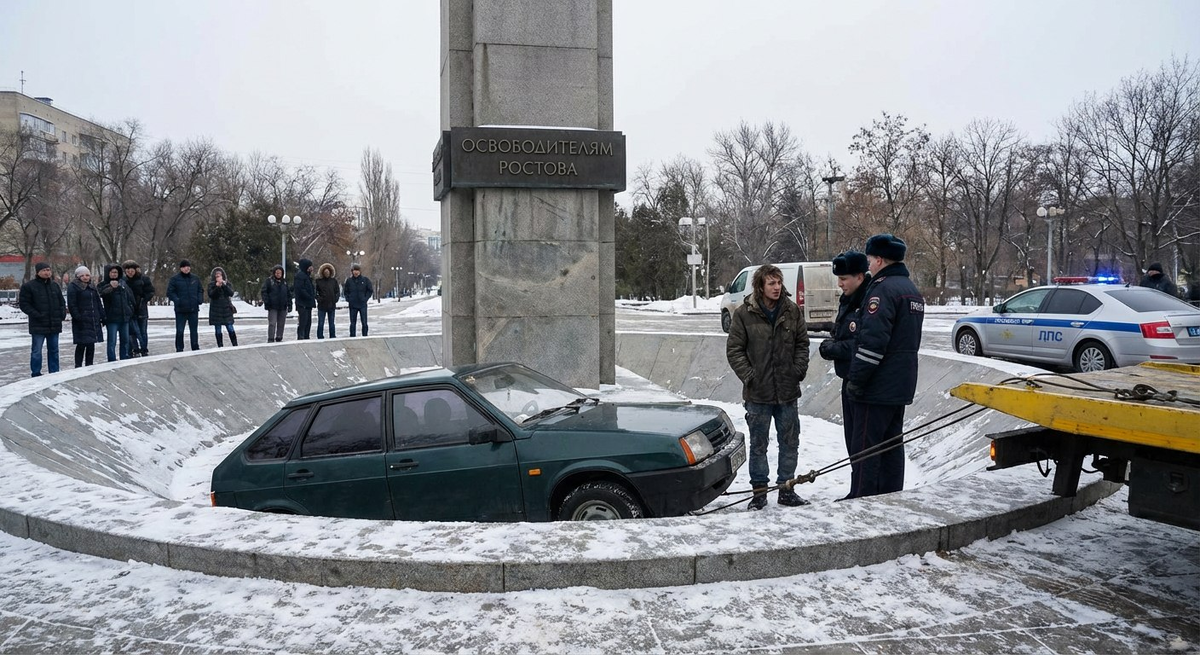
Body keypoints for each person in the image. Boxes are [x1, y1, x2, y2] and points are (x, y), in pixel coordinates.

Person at [844, 234, 925, 499]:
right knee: (892, 445)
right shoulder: (910, 289)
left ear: (879, 259)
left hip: (877, 386)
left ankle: (862, 500)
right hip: (900, 384)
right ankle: (891, 498)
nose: (868, 266)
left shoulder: (882, 290)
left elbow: (872, 344)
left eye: (870, 260)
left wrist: (856, 380)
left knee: (866, 448)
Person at [725, 263, 811, 510]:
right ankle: (759, 493)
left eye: (778, 282)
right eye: (771, 283)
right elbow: (734, 350)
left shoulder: (792, 310)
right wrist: (749, 376)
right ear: (760, 286)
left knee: (790, 442)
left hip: (787, 391)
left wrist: (797, 370)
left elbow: (802, 344)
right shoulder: (744, 313)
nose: (776, 287)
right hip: (758, 393)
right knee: (759, 445)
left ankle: (786, 489)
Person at [817, 251, 872, 499]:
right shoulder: (848, 299)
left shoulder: (868, 300)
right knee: (852, 440)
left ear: (860, 276)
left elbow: (863, 343)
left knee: (862, 443)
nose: (839, 283)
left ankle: (861, 492)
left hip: (862, 381)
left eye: (844, 278)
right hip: (848, 378)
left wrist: (834, 348)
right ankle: (857, 488)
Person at [19, 262, 66, 377]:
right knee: (36, 351)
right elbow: (24, 304)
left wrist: (61, 315)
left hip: (54, 324)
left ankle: (54, 372)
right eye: (44, 270)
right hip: (38, 325)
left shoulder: (55, 286)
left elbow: (61, 302)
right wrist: (37, 315)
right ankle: (36, 373)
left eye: (48, 270)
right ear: (38, 272)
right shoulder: (29, 286)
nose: (47, 272)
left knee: (54, 350)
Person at [67, 266, 105, 368]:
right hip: (81, 320)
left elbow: (98, 302)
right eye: (82, 275)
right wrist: (77, 317)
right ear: (78, 276)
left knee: (91, 344)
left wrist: (102, 316)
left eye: (87, 275)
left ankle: (89, 365)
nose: (85, 277)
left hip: (93, 319)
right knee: (81, 343)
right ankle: (78, 365)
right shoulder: (73, 286)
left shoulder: (92, 287)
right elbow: (72, 304)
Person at [98, 263, 135, 361]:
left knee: (125, 340)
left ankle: (124, 357)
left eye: (116, 272)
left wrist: (130, 310)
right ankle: (112, 360)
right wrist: (111, 287)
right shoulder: (103, 284)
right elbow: (101, 293)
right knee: (112, 341)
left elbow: (130, 297)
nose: (114, 274)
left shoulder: (123, 283)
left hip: (124, 317)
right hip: (112, 318)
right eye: (112, 272)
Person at [167, 259, 204, 352]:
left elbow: (200, 289)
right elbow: (170, 292)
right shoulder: (175, 279)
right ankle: (179, 348)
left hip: (193, 309)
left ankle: (195, 346)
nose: (186, 269)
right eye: (184, 267)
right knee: (180, 330)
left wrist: (199, 299)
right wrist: (177, 300)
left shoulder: (195, 278)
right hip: (180, 310)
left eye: (188, 267)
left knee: (194, 330)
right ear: (181, 268)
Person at [123, 260, 155, 357]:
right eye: (127, 270)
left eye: (131, 269)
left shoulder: (144, 279)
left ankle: (144, 349)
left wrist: (144, 300)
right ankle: (134, 349)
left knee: (142, 331)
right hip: (129, 310)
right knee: (131, 332)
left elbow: (150, 291)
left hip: (141, 309)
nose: (130, 272)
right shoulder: (123, 281)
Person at [261, 264, 292, 343]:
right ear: (274, 273)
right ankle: (271, 337)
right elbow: (264, 292)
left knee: (281, 323)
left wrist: (289, 304)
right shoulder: (269, 281)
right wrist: (267, 302)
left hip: (282, 306)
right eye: (277, 273)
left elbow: (288, 294)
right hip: (272, 306)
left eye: (280, 273)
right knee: (272, 323)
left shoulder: (284, 282)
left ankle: (279, 336)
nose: (278, 274)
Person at [207, 267, 238, 347]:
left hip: (226, 309)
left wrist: (223, 285)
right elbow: (211, 295)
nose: (218, 276)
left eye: (220, 275)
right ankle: (220, 345)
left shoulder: (227, 284)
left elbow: (231, 293)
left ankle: (235, 344)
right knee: (218, 329)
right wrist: (217, 287)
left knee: (230, 327)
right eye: (216, 275)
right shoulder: (211, 285)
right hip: (216, 310)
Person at [344, 263, 374, 337]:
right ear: (352, 271)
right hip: (353, 304)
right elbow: (345, 291)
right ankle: (352, 336)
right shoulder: (349, 281)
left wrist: (365, 298)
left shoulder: (365, 280)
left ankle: (365, 336)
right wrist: (348, 299)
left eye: (357, 270)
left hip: (362, 304)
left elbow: (370, 290)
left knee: (364, 322)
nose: (356, 272)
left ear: (360, 271)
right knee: (352, 323)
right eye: (354, 270)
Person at [315, 262, 340, 339]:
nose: (327, 273)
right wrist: (319, 299)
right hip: (322, 305)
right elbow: (315, 292)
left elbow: (337, 291)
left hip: (331, 305)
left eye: (328, 271)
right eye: (325, 272)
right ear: (322, 272)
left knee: (332, 323)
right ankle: (320, 335)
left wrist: (335, 299)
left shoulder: (334, 281)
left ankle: (332, 335)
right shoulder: (318, 281)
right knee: (321, 322)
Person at [294, 258, 316, 340]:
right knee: (303, 321)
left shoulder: (307, 276)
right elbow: (300, 289)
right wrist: (309, 296)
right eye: (310, 266)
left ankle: (306, 336)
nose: (311, 268)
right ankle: (301, 336)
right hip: (303, 303)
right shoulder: (300, 276)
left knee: (308, 321)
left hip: (307, 303)